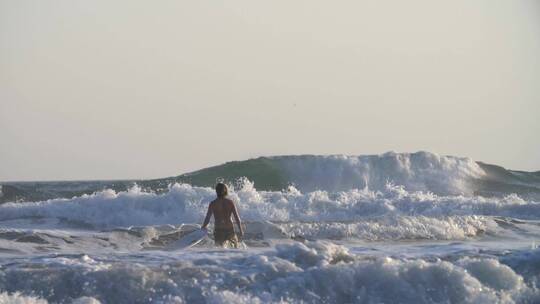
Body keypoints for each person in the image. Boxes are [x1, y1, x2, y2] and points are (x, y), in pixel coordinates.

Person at [201, 183, 244, 247]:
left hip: (218, 230)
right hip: (229, 229)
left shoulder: (213, 204)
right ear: (225, 191)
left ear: (216, 191)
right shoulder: (230, 202)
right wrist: (241, 230)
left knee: (219, 252)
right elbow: (237, 218)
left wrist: (203, 227)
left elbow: (207, 218)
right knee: (235, 249)